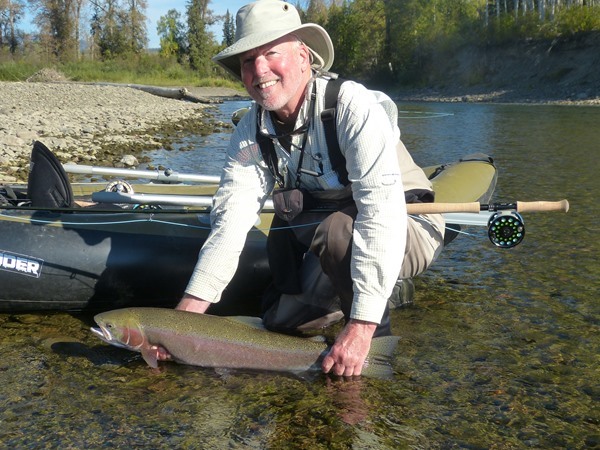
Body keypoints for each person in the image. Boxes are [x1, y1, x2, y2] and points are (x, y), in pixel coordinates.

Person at [160, 0, 445, 377]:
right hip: (335, 230)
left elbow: (381, 213)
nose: (260, 70)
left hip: (407, 226)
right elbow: (230, 225)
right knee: (280, 323)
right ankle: (347, 300)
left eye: (270, 53)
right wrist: (185, 320)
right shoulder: (250, 130)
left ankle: (375, 339)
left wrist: (361, 326)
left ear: (303, 57)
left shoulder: (352, 106)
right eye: (248, 61)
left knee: (340, 231)